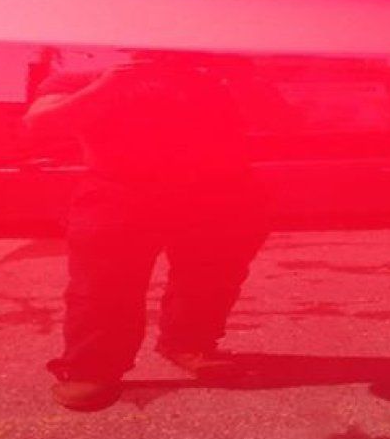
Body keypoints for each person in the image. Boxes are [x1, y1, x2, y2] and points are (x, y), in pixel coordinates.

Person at [24, 50, 267, 411]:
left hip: (218, 190)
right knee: (102, 285)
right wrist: (106, 87)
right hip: (118, 189)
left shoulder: (218, 76)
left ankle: (188, 345)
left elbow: (280, 120)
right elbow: (41, 124)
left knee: (209, 278)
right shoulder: (85, 77)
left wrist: (243, 78)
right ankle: (93, 369)